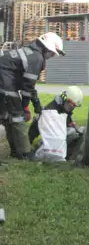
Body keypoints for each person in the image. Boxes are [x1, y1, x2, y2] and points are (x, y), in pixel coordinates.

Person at [0, 32, 65, 160]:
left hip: (4, 82)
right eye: (52, 53)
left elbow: (29, 85)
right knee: (18, 118)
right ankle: (24, 153)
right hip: (5, 84)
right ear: (47, 48)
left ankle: (16, 151)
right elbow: (27, 88)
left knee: (8, 118)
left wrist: (36, 104)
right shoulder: (37, 58)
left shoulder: (30, 52)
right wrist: (25, 108)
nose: (51, 57)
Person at [28, 86, 84, 159]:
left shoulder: (64, 108)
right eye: (72, 104)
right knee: (71, 131)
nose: (73, 107)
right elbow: (36, 127)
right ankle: (39, 147)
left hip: (56, 140)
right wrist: (28, 142)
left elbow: (68, 123)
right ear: (65, 99)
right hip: (49, 141)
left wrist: (75, 127)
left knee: (74, 133)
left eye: (75, 105)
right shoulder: (50, 111)